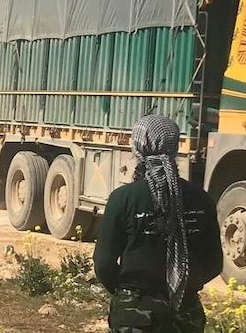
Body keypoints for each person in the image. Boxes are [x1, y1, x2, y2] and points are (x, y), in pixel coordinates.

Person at [94, 115, 223, 333]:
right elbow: (214, 263)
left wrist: (126, 292)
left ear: (138, 148)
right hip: (185, 315)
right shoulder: (201, 199)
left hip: (135, 314)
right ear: (175, 147)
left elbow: (104, 262)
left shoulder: (123, 198)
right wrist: (184, 286)